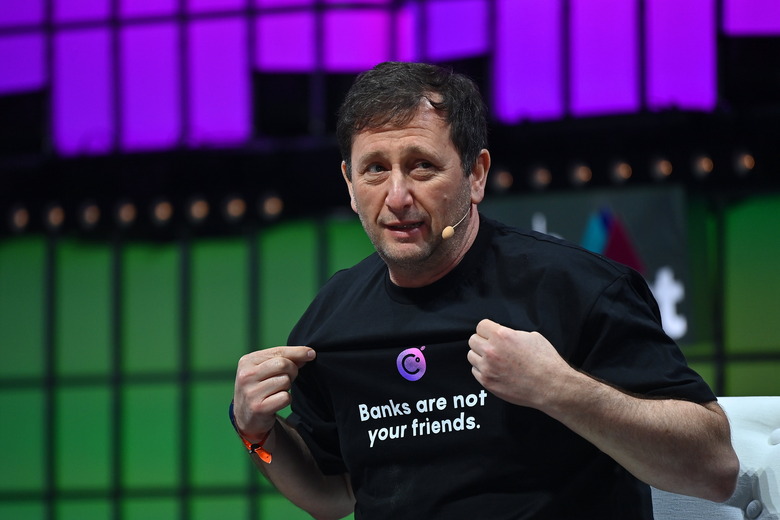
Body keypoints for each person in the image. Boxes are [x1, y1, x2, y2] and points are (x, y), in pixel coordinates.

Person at [231, 61, 739, 519]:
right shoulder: (333, 316)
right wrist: (258, 436)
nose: (398, 195)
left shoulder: (575, 287)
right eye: (375, 169)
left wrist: (558, 389)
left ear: (475, 174)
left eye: (422, 166)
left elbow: (713, 470)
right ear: (348, 182)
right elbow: (334, 494)